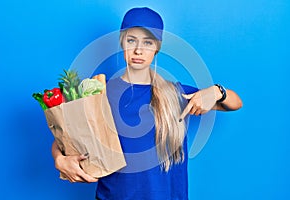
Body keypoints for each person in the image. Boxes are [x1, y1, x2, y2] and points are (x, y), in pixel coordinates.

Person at [51, 7, 242, 200]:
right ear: (122, 42)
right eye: (131, 40)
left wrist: (217, 91)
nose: (138, 50)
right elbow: (68, 138)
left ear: (157, 48)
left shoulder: (176, 94)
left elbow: (235, 103)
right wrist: (60, 159)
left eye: (147, 42)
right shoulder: (100, 90)